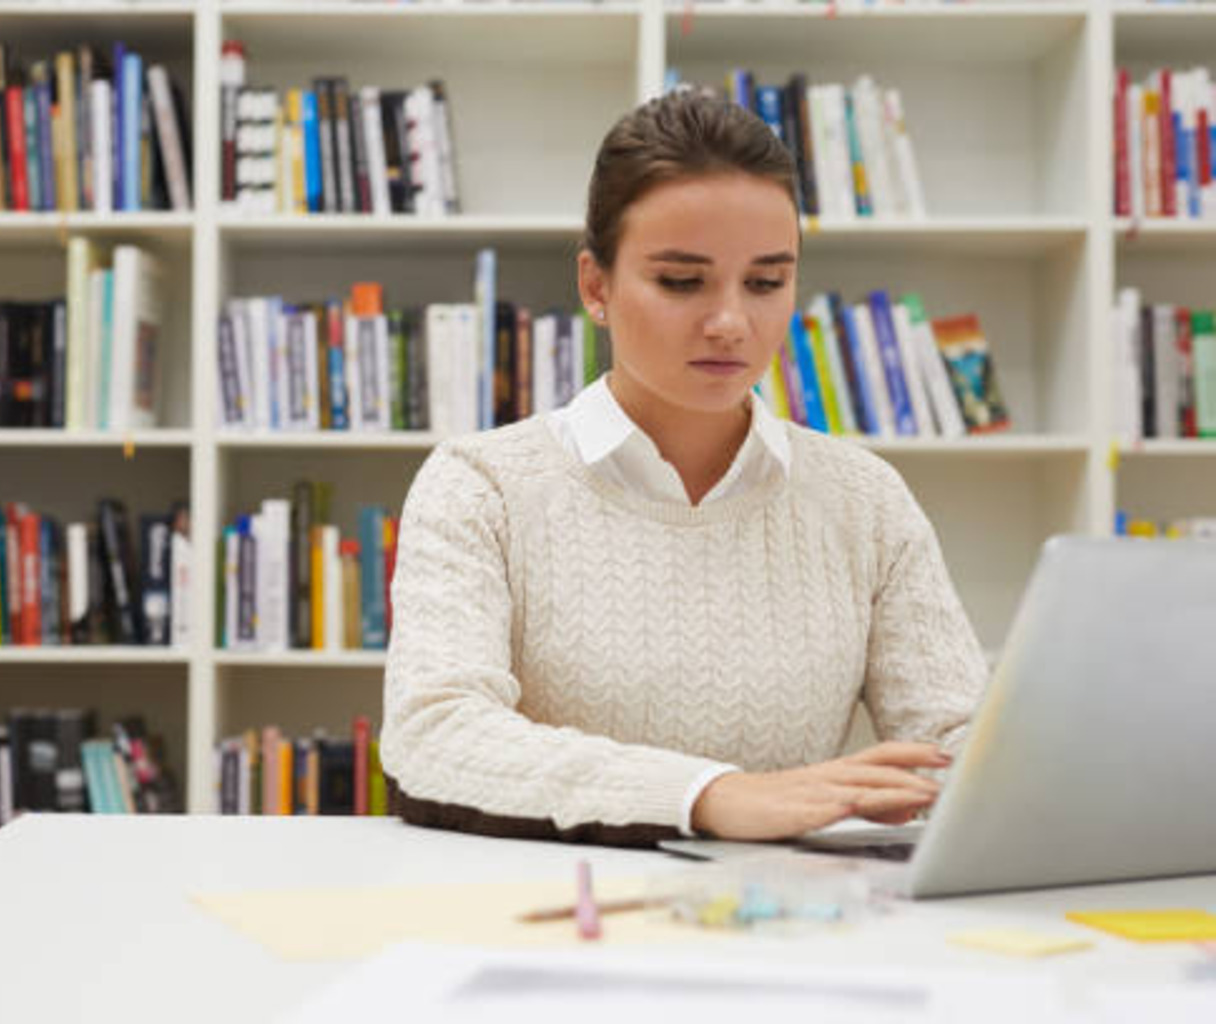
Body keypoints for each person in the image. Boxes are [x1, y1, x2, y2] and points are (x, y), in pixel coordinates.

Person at [377, 90, 988, 847]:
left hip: (783, 924)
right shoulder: (482, 486)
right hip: (551, 919)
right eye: (680, 281)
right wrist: (708, 796)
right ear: (596, 287)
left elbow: (959, 742)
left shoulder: (863, 500)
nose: (731, 321)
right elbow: (435, 736)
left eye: (766, 283)